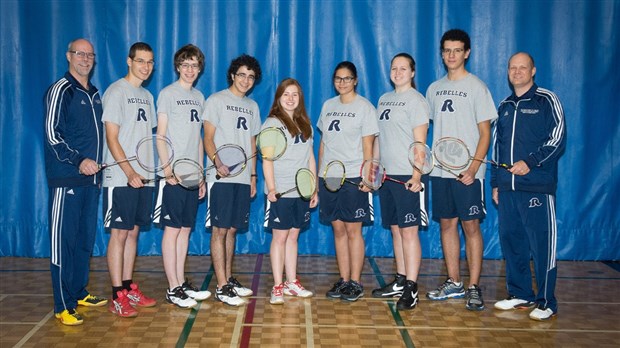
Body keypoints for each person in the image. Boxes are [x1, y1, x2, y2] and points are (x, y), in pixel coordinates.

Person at [425, 29, 497, 311]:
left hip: (469, 173)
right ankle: (454, 281)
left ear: (467, 53)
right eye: (446, 50)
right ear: (442, 53)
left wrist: (473, 167)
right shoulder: (433, 88)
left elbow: (485, 134)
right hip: (441, 171)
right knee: (446, 224)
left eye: (456, 50)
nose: (451, 55)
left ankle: (474, 286)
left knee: (471, 226)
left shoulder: (477, 87)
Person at [492, 52, 565, 321]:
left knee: (542, 246)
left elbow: (558, 139)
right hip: (508, 189)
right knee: (513, 243)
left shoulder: (547, 100)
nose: (517, 72)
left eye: (523, 67)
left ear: (533, 71)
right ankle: (520, 293)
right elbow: (497, 147)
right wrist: (495, 183)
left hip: (537, 187)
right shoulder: (505, 105)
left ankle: (547, 302)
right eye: (513, 67)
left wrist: (531, 162)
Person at [44, 38, 108, 326]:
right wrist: (79, 160)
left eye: (90, 55)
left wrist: (94, 166)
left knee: (84, 241)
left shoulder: (94, 93)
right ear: (68, 56)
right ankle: (62, 305)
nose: (85, 59)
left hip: (91, 181)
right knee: (63, 244)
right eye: (80, 54)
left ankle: (79, 292)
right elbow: (52, 135)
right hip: (66, 180)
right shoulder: (61, 90)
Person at [102, 42, 158, 317]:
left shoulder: (147, 96)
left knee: (133, 232)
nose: (145, 67)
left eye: (149, 62)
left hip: (144, 177)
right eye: (140, 61)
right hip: (121, 177)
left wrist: (147, 173)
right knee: (119, 233)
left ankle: (127, 288)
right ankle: (116, 295)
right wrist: (129, 172)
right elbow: (111, 137)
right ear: (129, 61)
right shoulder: (116, 91)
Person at [153, 44, 211, 309]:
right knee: (172, 230)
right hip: (173, 175)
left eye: (194, 65)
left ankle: (180, 283)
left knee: (185, 230)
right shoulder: (167, 94)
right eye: (185, 65)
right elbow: (160, 135)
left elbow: (198, 138)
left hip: (192, 174)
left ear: (199, 70)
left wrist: (200, 174)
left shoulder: (200, 97)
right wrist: (167, 170)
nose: (190, 70)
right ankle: (172, 287)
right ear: (178, 67)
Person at [202, 54, 262, 306]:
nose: (246, 80)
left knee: (233, 230)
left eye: (250, 77)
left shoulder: (252, 106)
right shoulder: (216, 100)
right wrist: (217, 162)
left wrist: (253, 175)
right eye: (242, 75)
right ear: (232, 75)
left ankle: (228, 277)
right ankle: (221, 285)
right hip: (220, 176)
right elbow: (207, 137)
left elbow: (252, 144)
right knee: (220, 229)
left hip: (242, 178)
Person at [371, 53, 429, 310]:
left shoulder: (417, 101)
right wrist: (372, 170)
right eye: (394, 68)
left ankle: (412, 287)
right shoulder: (384, 99)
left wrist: (417, 175)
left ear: (412, 72)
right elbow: (377, 139)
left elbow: (420, 143)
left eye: (403, 68)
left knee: (409, 232)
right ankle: (401, 279)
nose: (397, 72)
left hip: (408, 177)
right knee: (395, 229)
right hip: (386, 176)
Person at [318, 61, 379, 302]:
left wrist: (368, 176)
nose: (342, 83)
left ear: (355, 80)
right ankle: (344, 280)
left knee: (354, 230)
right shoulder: (327, 106)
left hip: (354, 176)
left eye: (347, 78)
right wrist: (319, 176)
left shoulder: (365, 107)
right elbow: (323, 144)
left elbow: (369, 146)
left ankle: (356, 281)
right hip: (330, 176)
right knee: (338, 229)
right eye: (338, 78)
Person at [262, 78, 318, 305]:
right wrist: (272, 188)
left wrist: (313, 188)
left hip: (301, 192)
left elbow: (310, 158)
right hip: (282, 192)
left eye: (295, 94)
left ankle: (291, 282)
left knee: (293, 236)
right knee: (280, 237)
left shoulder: (306, 124)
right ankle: (277, 285)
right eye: (286, 94)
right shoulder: (271, 125)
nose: (291, 98)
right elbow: (267, 160)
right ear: (278, 98)